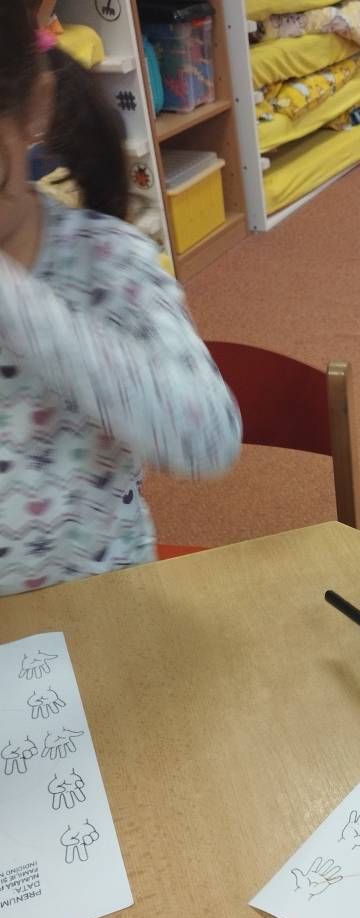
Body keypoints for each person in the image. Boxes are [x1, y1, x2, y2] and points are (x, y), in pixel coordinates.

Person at [0, 1, 240, 596]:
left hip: (105, 604)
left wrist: (20, 304)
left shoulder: (106, 263)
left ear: (34, 108)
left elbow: (209, 436)